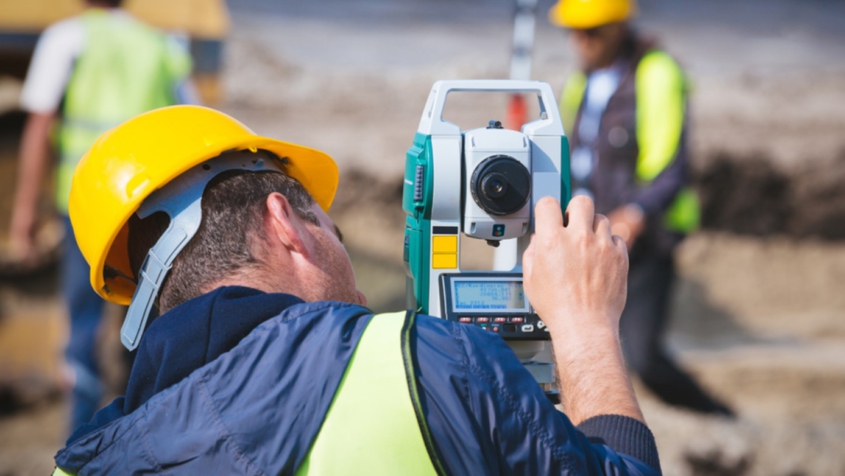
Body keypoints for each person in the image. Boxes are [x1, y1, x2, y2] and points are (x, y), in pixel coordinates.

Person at [52, 105, 661, 475]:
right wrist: (585, 327)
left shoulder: (82, 463)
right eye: (331, 228)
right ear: (285, 223)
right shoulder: (423, 367)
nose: (362, 295)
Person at [10, 0, 193, 432]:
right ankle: (142, 430)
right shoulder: (162, 45)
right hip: (153, 212)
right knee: (146, 320)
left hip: (88, 207)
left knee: (83, 326)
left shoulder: (67, 38)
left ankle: (81, 441)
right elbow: (190, 123)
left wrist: (24, 214)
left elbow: (39, 127)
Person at [550, 0, 733, 416]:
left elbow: (672, 170)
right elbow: (571, 159)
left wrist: (635, 213)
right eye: (574, 31)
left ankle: (717, 417)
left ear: (619, 25)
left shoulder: (658, 75)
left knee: (643, 357)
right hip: (589, 238)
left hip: (645, 242)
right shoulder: (582, 81)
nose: (580, 41)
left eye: (591, 31)